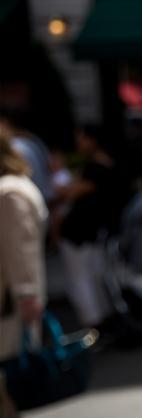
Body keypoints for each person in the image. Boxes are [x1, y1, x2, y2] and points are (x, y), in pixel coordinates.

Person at [57, 126, 118, 329]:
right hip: (93, 229)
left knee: (80, 278)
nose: (79, 143)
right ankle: (103, 317)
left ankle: (93, 323)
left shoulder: (95, 168)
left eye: (82, 138)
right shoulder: (107, 164)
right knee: (94, 274)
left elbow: (70, 193)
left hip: (80, 230)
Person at [0, 123, 47, 361]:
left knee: (16, 366)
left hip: (12, 298)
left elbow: (20, 247)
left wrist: (26, 293)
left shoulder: (8, 193)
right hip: (17, 294)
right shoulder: (15, 186)